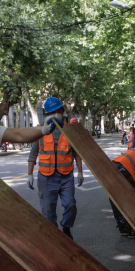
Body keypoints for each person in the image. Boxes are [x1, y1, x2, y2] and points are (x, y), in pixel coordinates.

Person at [27, 97, 84, 239]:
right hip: (46, 177)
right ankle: (55, 236)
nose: (55, 115)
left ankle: (66, 226)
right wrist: (29, 174)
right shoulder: (41, 131)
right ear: (47, 115)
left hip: (66, 176)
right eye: (51, 112)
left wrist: (80, 172)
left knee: (70, 205)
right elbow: (33, 153)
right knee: (47, 209)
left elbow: (76, 153)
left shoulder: (69, 130)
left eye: (57, 111)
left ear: (62, 112)